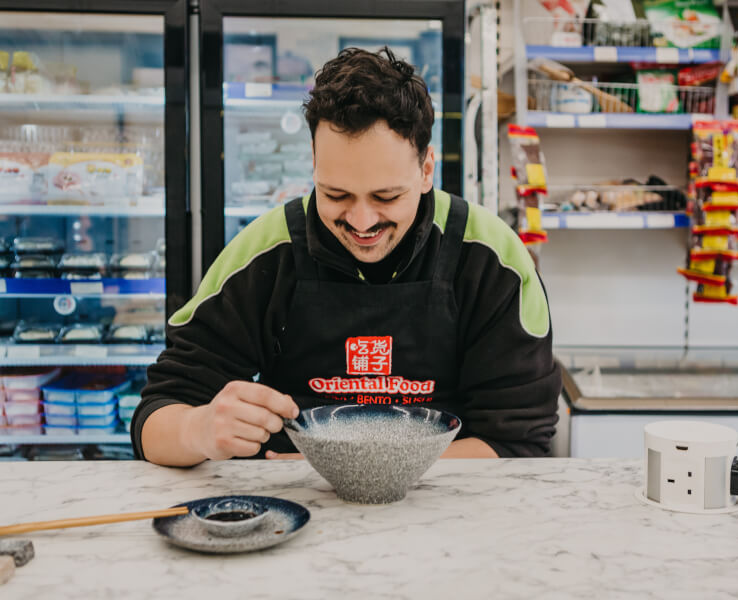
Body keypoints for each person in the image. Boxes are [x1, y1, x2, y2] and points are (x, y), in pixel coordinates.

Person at [132, 47, 561, 466]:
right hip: (294, 514)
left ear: (426, 170)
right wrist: (199, 429)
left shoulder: (491, 258)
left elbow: (518, 444)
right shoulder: (266, 251)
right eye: (335, 194)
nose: (361, 221)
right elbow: (155, 420)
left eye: (386, 196)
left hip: (446, 516)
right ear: (314, 165)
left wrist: (362, 470)